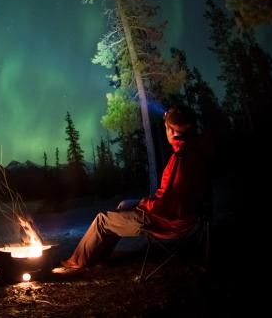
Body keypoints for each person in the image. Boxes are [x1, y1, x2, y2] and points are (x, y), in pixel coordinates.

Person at [61, 104, 209, 270]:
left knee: (102, 220)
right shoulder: (195, 154)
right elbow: (173, 199)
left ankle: (76, 263)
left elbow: (167, 205)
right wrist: (139, 202)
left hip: (166, 222)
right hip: (184, 219)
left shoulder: (180, 160)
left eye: (166, 127)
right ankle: (96, 259)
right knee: (120, 211)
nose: (166, 131)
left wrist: (140, 204)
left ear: (173, 131)